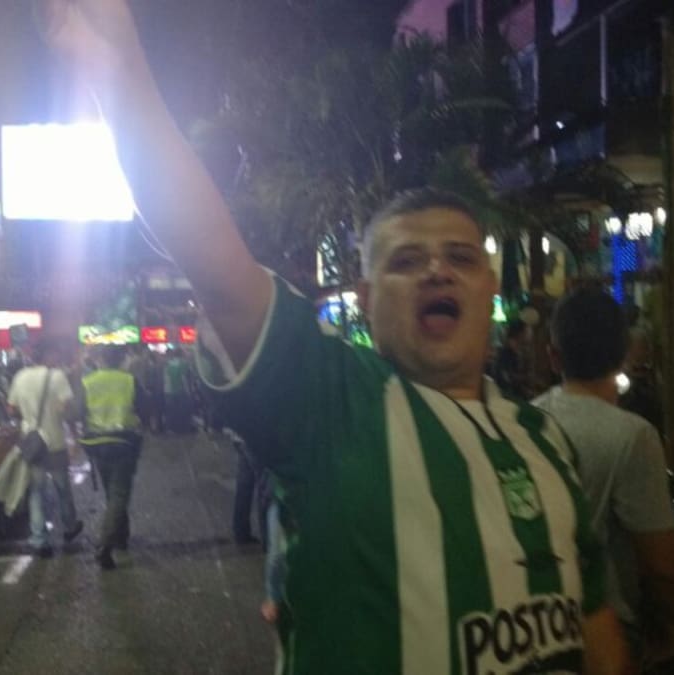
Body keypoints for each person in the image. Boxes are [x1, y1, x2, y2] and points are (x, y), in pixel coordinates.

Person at [36, 2, 632, 672]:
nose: (438, 268)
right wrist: (120, 72)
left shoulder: (544, 439)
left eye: (461, 257)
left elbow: (596, 623)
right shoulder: (334, 404)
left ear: (491, 286)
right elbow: (218, 267)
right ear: (368, 301)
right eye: (407, 261)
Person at [533, 288, 674, 668]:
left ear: (554, 356)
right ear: (624, 354)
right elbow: (662, 564)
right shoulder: (632, 436)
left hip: (539, 628)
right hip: (609, 632)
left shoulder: (525, 420)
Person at [7, 338, 83, 557]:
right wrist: (75, 436)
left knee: (36, 491)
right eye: (56, 354)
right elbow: (66, 408)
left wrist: (28, 417)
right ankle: (69, 527)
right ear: (49, 356)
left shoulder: (20, 377)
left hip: (32, 443)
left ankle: (39, 539)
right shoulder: (57, 376)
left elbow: (11, 409)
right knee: (62, 488)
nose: (58, 358)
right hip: (55, 442)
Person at [80, 346, 143, 570]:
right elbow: (144, 407)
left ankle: (121, 537)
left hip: (97, 444)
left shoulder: (87, 382)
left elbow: (79, 411)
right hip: (124, 442)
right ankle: (105, 544)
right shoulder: (128, 380)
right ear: (120, 360)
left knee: (112, 492)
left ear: (100, 360)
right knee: (119, 493)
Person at [493, 318, 530, 399]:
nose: (529, 334)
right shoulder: (505, 354)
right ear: (520, 333)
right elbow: (506, 379)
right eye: (526, 331)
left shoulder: (520, 352)